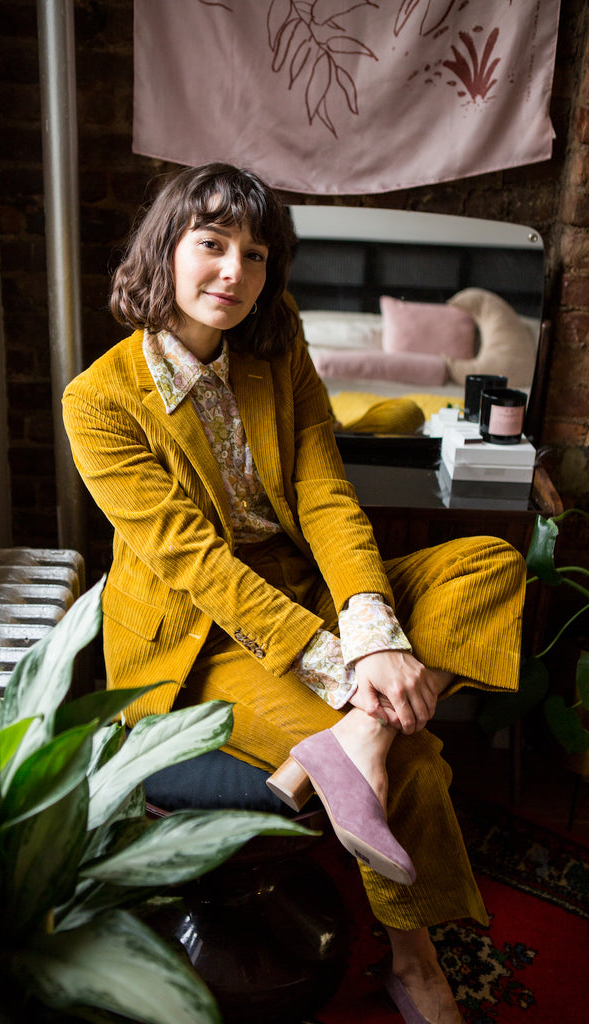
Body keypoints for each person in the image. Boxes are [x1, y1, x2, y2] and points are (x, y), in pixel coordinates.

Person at [62, 162, 526, 1024]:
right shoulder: (98, 401)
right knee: (417, 763)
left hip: (311, 594)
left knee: (489, 566)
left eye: (256, 253)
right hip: (200, 640)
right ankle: (415, 963)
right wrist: (348, 669)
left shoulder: (278, 354)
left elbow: (325, 499)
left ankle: (353, 740)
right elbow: (196, 565)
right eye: (211, 244)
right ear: (165, 250)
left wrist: (372, 627)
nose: (234, 271)